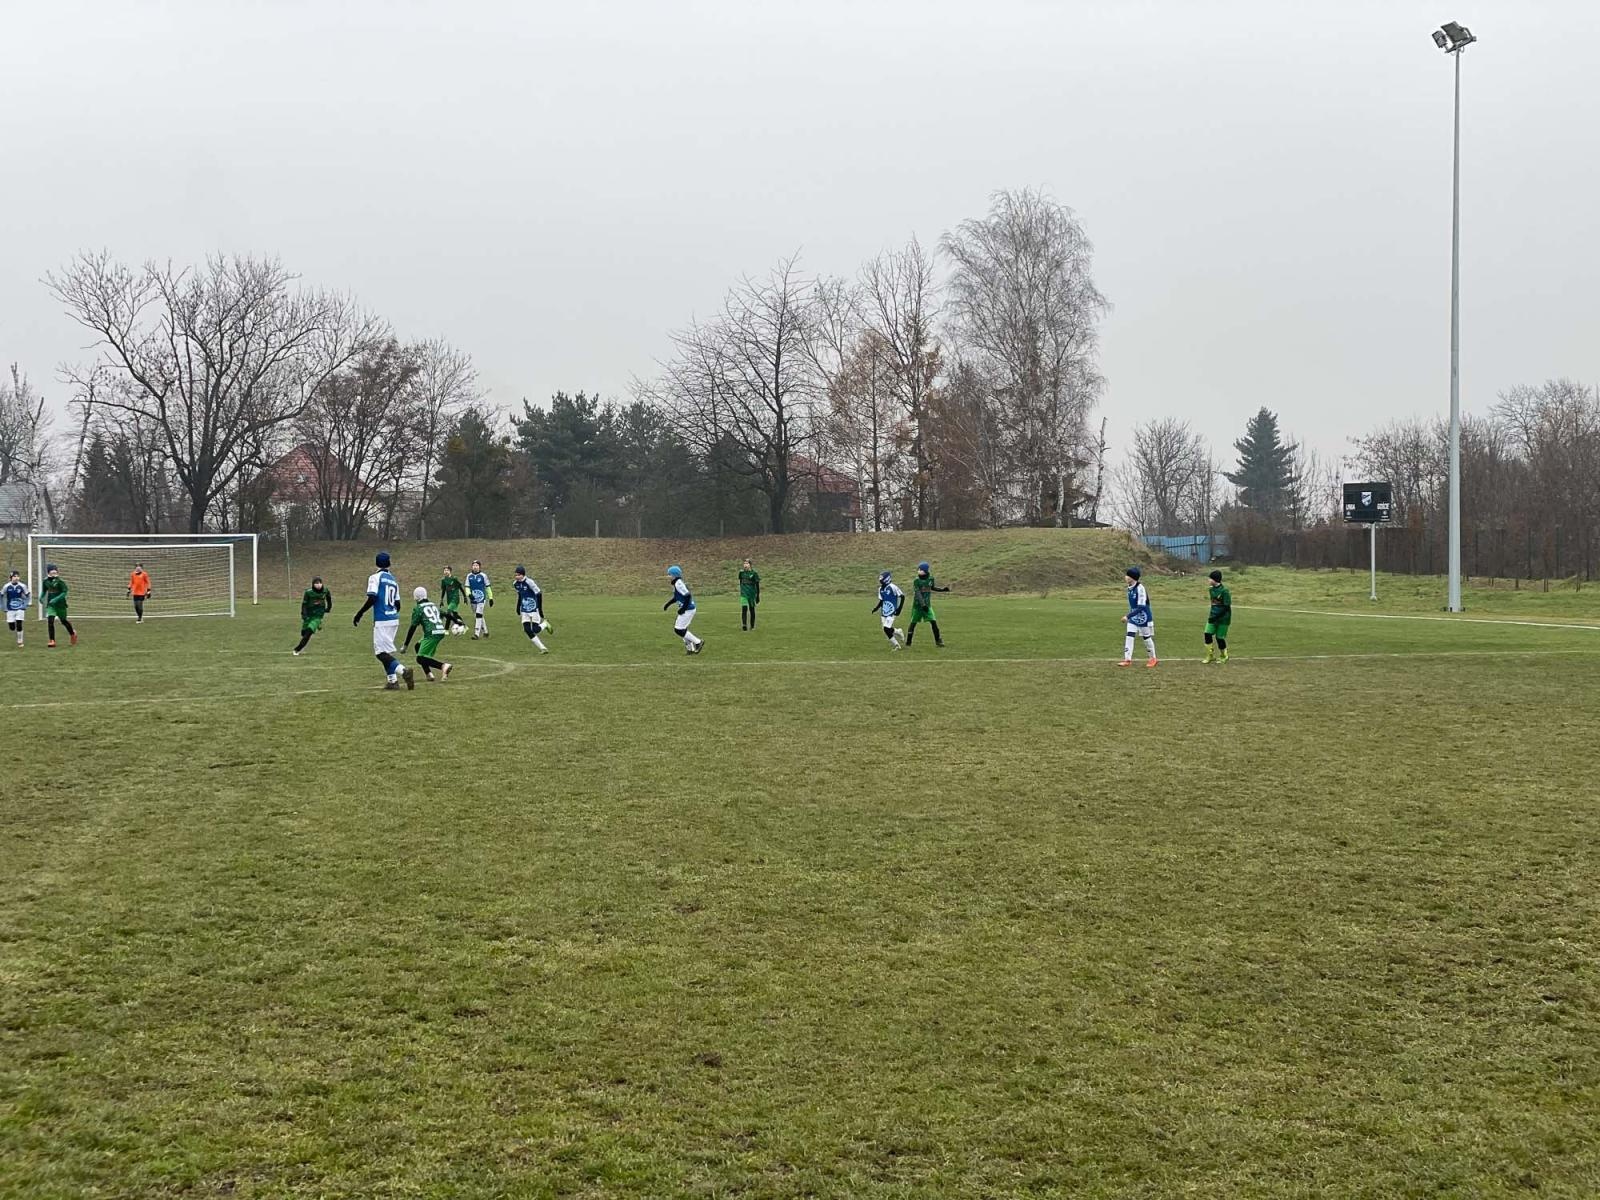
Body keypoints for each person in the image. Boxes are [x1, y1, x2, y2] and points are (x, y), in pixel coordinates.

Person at [352, 550, 413, 690]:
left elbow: (372, 597)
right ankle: (392, 681)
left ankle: (403, 671)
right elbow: (398, 604)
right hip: (393, 619)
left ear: (376, 563)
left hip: (382, 619)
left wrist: (359, 613)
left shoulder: (375, 577)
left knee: (380, 653)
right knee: (387, 652)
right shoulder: (393, 580)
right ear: (389, 564)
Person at [402, 586, 453, 681]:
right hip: (440, 631)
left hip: (431, 633)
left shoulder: (418, 608)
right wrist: (458, 622)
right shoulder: (432, 605)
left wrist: (405, 645)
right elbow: (446, 614)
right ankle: (429, 674)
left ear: (415, 597)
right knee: (418, 646)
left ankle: (443, 666)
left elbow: (412, 627)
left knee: (420, 658)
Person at [1119, 566, 1157, 668]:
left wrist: (1127, 616)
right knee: (1129, 635)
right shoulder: (1130, 588)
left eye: (1127, 575)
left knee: (1146, 637)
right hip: (1134, 617)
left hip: (1143, 617)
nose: (1125, 577)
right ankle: (1127, 659)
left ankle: (1153, 658)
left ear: (1133, 577)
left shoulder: (1140, 589)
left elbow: (1141, 607)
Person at [904, 561, 950, 648]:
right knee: (913, 623)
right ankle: (908, 643)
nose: (918, 571)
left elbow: (932, 587)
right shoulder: (916, 581)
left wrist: (942, 590)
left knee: (933, 622)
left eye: (920, 569)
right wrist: (923, 605)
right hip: (917, 606)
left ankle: (938, 641)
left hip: (927, 606)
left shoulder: (931, 579)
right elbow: (918, 593)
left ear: (925, 571)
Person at [663, 565, 703, 655]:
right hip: (687, 609)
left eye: (669, 574)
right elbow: (677, 597)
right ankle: (690, 649)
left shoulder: (678, 583)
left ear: (674, 575)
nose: (668, 576)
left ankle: (698, 642)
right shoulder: (676, 583)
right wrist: (667, 604)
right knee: (682, 630)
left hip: (688, 609)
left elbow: (688, 596)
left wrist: (683, 609)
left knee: (678, 630)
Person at [511, 565, 550, 654]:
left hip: (534, 609)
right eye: (515, 575)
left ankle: (545, 624)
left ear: (523, 575)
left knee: (535, 629)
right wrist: (518, 607)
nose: (516, 576)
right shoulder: (515, 584)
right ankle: (543, 648)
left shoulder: (529, 582)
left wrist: (540, 609)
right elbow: (520, 595)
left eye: (518, 575)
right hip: (524, 610)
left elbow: (539, 594)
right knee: (527, 630)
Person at [293, 577, 333, 655]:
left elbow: (329, 599)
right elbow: (304, 604)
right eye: (316, 583)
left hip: (318, 615)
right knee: (303, 633)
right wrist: (304, 614)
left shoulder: (326, 591)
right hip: (309, 615)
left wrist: (328, 608)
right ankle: (318, 624)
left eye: (320, 583)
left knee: (309, 632)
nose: (318, 585)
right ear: (313, 584)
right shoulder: (308, 592)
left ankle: (297, 649)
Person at [40, 563, 76, 648]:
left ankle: (72, 634)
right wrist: (41, 597)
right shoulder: (45, 581)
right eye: (52, 572)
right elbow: (44, 591)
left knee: (64, 621)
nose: (54, 574)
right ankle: (52, 641)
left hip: (61, 605)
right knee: (50, 621)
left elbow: (64, 592)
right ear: (48, 573)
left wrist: (56, 599)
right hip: (51, 605)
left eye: (55, 572)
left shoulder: (60, 582)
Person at [1203, 568, 1232, 664]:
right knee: (1207, 634)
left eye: (1210, 578)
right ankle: (1209, 655)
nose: (1208, 580)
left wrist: (1217, 616)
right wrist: (1213, 615)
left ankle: (1224, 655)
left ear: (1215, 580)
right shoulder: (1211, 590)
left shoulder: (1224, 591)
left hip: (1223, 618)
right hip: (1212, 617)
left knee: (1219, 638)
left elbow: (1226, 607)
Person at [872, 570, 905, 650]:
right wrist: (876, 608)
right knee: (886, 629)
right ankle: (898, 631)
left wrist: (899, 609)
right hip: (884, 612)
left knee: (886, 629)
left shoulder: (893, 587)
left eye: (882, 579)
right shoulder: (880, 589)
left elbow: (902, 596)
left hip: (892, 611)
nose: (880, 580)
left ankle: (897, 646)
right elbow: (882, 600)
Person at [466, 560, 492, 639]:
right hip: (473, 599)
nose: (475, 566)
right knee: (478, 615)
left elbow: (488, 587)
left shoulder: (483, 576)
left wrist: (491, 598)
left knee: (478, 614)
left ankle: (476, 634)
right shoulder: (469, 576)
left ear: (479, 566)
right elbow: (467, 587)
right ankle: (486, 631)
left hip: (481, 599)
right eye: (474, 565)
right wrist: (469, 594)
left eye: (477, 565)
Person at [439, 566, 468, 634]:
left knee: (448, 611)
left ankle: (446, 630)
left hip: (455, 598)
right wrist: (441, 600)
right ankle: (464, 626)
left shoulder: (454, 579)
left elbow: (461, 588)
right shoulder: (443, 580)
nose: (446, 571)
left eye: (447, 570)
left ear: (450, 571)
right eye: (445, 570)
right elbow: (443, 590)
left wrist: (465, 597)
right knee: (455, 614)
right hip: (449, 599)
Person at [4, 570, 29, 648]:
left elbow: (28, 595)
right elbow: (1, 595)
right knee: (12, 627)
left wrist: (25, 604)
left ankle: (20, 641)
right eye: (14, 576)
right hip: (10, 609)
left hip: (20, 608)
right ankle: (12, 624)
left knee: (19, 624)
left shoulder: (22, 586)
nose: (16, 578)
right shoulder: (6, 586)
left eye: (17, 576)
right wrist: (2, 606)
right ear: (11, 577)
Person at [738, 558, 761, 630]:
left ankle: (752, 626)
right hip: (744, 593)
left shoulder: (754, 574)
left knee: (752, 609)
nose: (745, 565)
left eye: (747, 563)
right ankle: (744, 625)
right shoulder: (741, 573)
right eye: (744, 563)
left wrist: (757, 596)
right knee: (744, 608)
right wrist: (742, 589)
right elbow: (741, 581)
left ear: (750, 565)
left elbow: (757, 585)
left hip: (751, 594)